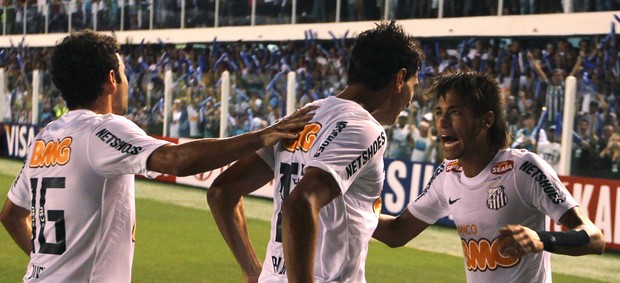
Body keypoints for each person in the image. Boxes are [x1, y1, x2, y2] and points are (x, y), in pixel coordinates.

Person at [0, 30, 314, 282]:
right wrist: (260, 137)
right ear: (111, 80)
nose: (126, 82)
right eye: (122, 74)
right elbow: (175, 160)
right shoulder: (102, 129)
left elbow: (11, 215)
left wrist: (52, 266)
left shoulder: (46, 137)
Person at [207, 21, 423, 282]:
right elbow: (300, 203)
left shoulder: (306, 115)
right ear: (399, 78)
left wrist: (253, 270)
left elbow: (222, 192)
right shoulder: (365, 129)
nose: (412, 98)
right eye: (415, 83)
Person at [372, 70, 605, 282]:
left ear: (486, 120)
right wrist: (346, 208)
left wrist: (541, 239)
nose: (442, 122)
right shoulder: (447, 174)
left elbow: (594, 237)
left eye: (455, 112)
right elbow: (397, 232)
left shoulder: (522, 168)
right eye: (439, 112)